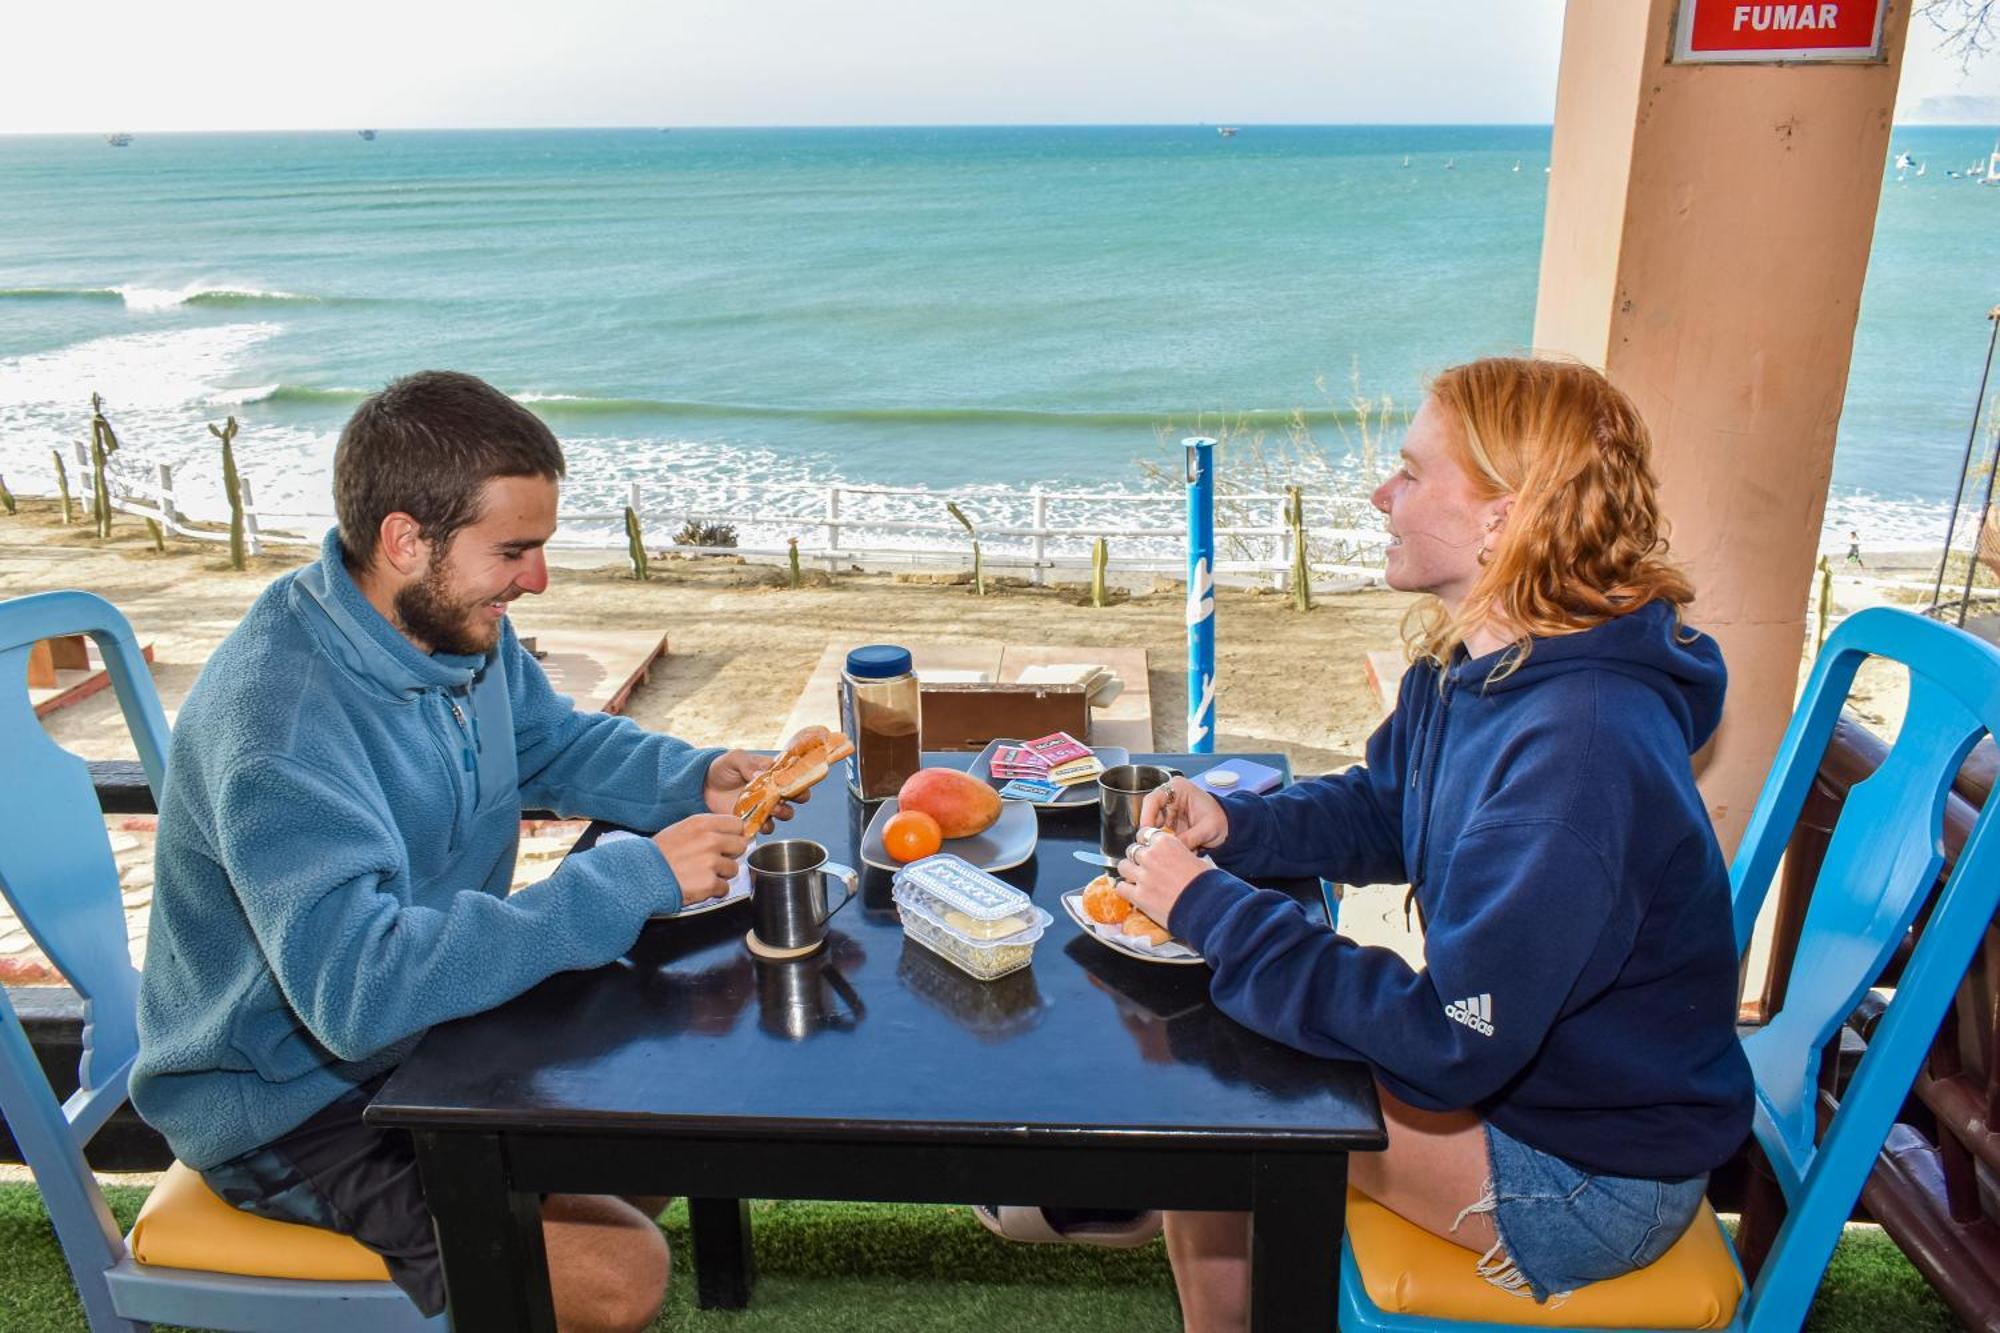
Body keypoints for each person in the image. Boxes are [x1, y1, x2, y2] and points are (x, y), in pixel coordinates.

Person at [132, 370, 795, 1333]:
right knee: (620, 1273)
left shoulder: (451, 626)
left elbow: (547, 743)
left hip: (426, 1027)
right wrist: (633, 876)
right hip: (291, 1096)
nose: (537, 580)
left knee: (662, 1116)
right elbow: (358, 995)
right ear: (406, 539)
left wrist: (694, 780)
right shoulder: (279, 722)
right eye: (515, 551)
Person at [1114, 356, 1754, 1330]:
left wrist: (1208, 907)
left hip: (1586, 1176)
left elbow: (1447, 1043)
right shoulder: (1490, 662)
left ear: (1501, 516)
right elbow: (1387, 807)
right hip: (1536, 1096)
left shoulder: (1576, 759)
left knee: (1215, 1107)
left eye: (1410, 473)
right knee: (1220, 1056)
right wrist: (1238, 825)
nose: (1381, 493)